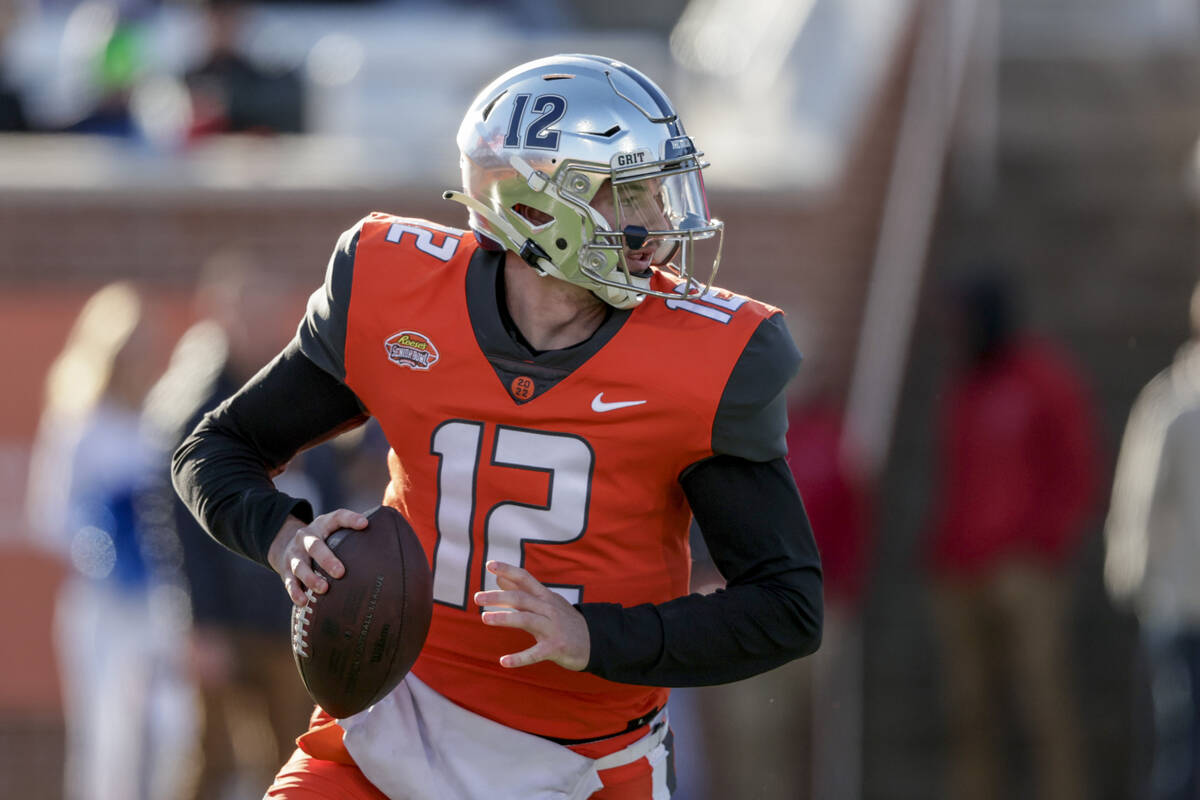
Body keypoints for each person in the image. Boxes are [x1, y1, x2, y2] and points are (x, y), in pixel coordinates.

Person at [173, 54, 823, 799]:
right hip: (391, 722)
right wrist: (284, 539)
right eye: (627, 195)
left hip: (584, 762)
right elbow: (215, 448)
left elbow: (787, 607)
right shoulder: (395, 292)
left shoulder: (705, 358)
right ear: (534, 207)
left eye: (658, 190)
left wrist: (595, 636)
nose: (659, 223)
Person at [142, 252, 317, 799]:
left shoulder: (304, 394)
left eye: (269, 309)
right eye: (248, 309)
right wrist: (198, 622)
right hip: (225, 614)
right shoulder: (196, 408)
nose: (260, 322)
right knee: (208, 758)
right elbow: (175, 529)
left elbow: (330, 486)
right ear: (219, 314)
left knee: (292, 755)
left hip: (290, 608)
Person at [926, 271, 1099, 800]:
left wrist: (1043, 547)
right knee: (970, 714)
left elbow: (1077, 469)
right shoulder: (964, 387)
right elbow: (953, 478)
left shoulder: (1042, 377)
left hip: (1025, 571)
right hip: (961, 572)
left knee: (1043, 707)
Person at [26, 282, 193, 800]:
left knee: (176, 725)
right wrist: (103, 547)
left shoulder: (165, 420)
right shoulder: (80, 425)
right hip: (101, 604)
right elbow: (48, 514)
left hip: (165, 601)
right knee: (106, 735)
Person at [1105, 281, 1200, 800]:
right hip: (1180, 609)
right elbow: (1138, 503)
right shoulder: (1173, 405)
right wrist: (1136, 578)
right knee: (1182, 750)